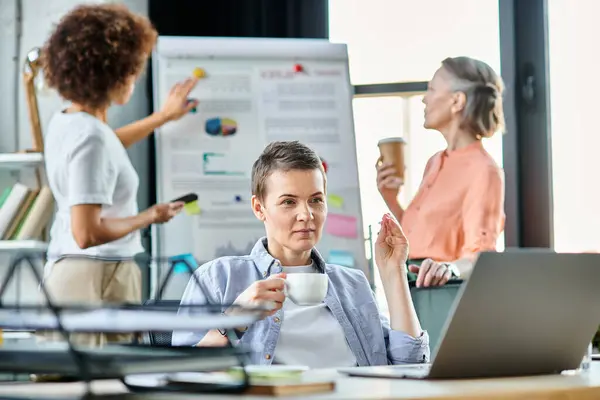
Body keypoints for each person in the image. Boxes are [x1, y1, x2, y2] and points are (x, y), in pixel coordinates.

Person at [172, 141, 429, 368]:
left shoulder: (353, 283)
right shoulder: (218, 278)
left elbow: (410, 368)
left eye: (316, 200)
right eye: (288, 202)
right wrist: (235, 318)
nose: (306, 214)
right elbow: (181, 373)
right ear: (259, 208)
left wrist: (394, 272)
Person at [38, 3, 198, 347]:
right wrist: (149, 217)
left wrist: (163, 118)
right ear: (109, 72)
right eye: (132, 69)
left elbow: (107, 147)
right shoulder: (90, 136)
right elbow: (86, 233)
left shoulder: (69, 121)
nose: (135, 76)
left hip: (87, 273)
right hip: (93, 277)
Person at [376, 56, 505, 288]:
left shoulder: (484, 171)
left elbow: (481, 257)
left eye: (432, 90)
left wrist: (449, 268)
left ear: (457, 101)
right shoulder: (435, 162)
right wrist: (390, 198)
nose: (425, 99)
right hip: (411, 287)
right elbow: (420, 239)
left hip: (441, 294)